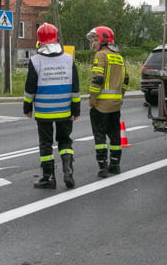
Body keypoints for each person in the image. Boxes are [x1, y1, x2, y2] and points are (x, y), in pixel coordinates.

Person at [23, 23, 80, 189]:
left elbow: (29, 88)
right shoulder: (69, 59)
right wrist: (75, 109)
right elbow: (75, 88)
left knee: (46, 144)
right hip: (65, 110)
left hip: (44, 111)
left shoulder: (35, 61)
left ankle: (48, 178)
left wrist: (27, 108)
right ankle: (68, 170)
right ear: (57, 39)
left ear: (39, 41)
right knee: (65, 141)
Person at [87, 26, 128, 178]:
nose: (93, 43)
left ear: (103, 41)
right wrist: (120, 96)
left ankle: (103, 166)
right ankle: (115, 165)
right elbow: (126, 80)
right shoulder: (119, 57)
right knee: (115, 136)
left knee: (100, 136)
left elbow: (97, 79)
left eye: (95, 39)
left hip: (101, 105)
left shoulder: (100, 55)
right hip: (115, 105)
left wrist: (92, 99)